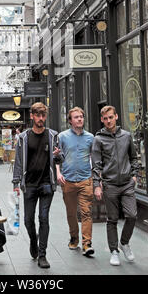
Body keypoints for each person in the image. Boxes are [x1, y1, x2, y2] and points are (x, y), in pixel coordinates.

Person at [12, 102, 62, 269]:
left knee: (43, 218)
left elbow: (60, 159)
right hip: (29, 184)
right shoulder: (23, 137)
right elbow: (19, 161)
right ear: (32, 116)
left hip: (47, 183)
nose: (41, 119)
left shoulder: (53, 135)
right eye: (38, 115)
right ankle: (34, 241)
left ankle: (42, 255)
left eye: (43, 115)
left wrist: (58, 156)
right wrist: (16, 182)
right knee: (27, 220)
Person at [92, 105, 139, 266]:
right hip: (110, 184)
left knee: (132, 215)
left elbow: (133, 157)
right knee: (112, 219)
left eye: (111, 117)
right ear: (102, 120)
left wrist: (134, 175)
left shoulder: (126, 136)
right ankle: (114, 251)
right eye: (105, 118)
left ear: (116, 117)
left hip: (127, 184)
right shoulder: (98, 139)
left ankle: (124, 242)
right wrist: (97, 185)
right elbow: (96, 164)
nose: (108, 121)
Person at [56, 107, 95, 256]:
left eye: (81, 117)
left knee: (86, 212)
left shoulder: (90, 138)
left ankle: (87, 244)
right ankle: (74, 237)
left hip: (86, 179)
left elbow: (94, 158)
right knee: (71, 213)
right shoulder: (63, 137)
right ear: (70, 120)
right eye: (76, 117)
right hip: (68, 180)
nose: (79, 119)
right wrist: (58, 173)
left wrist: (94, 176)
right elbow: (57, 157)